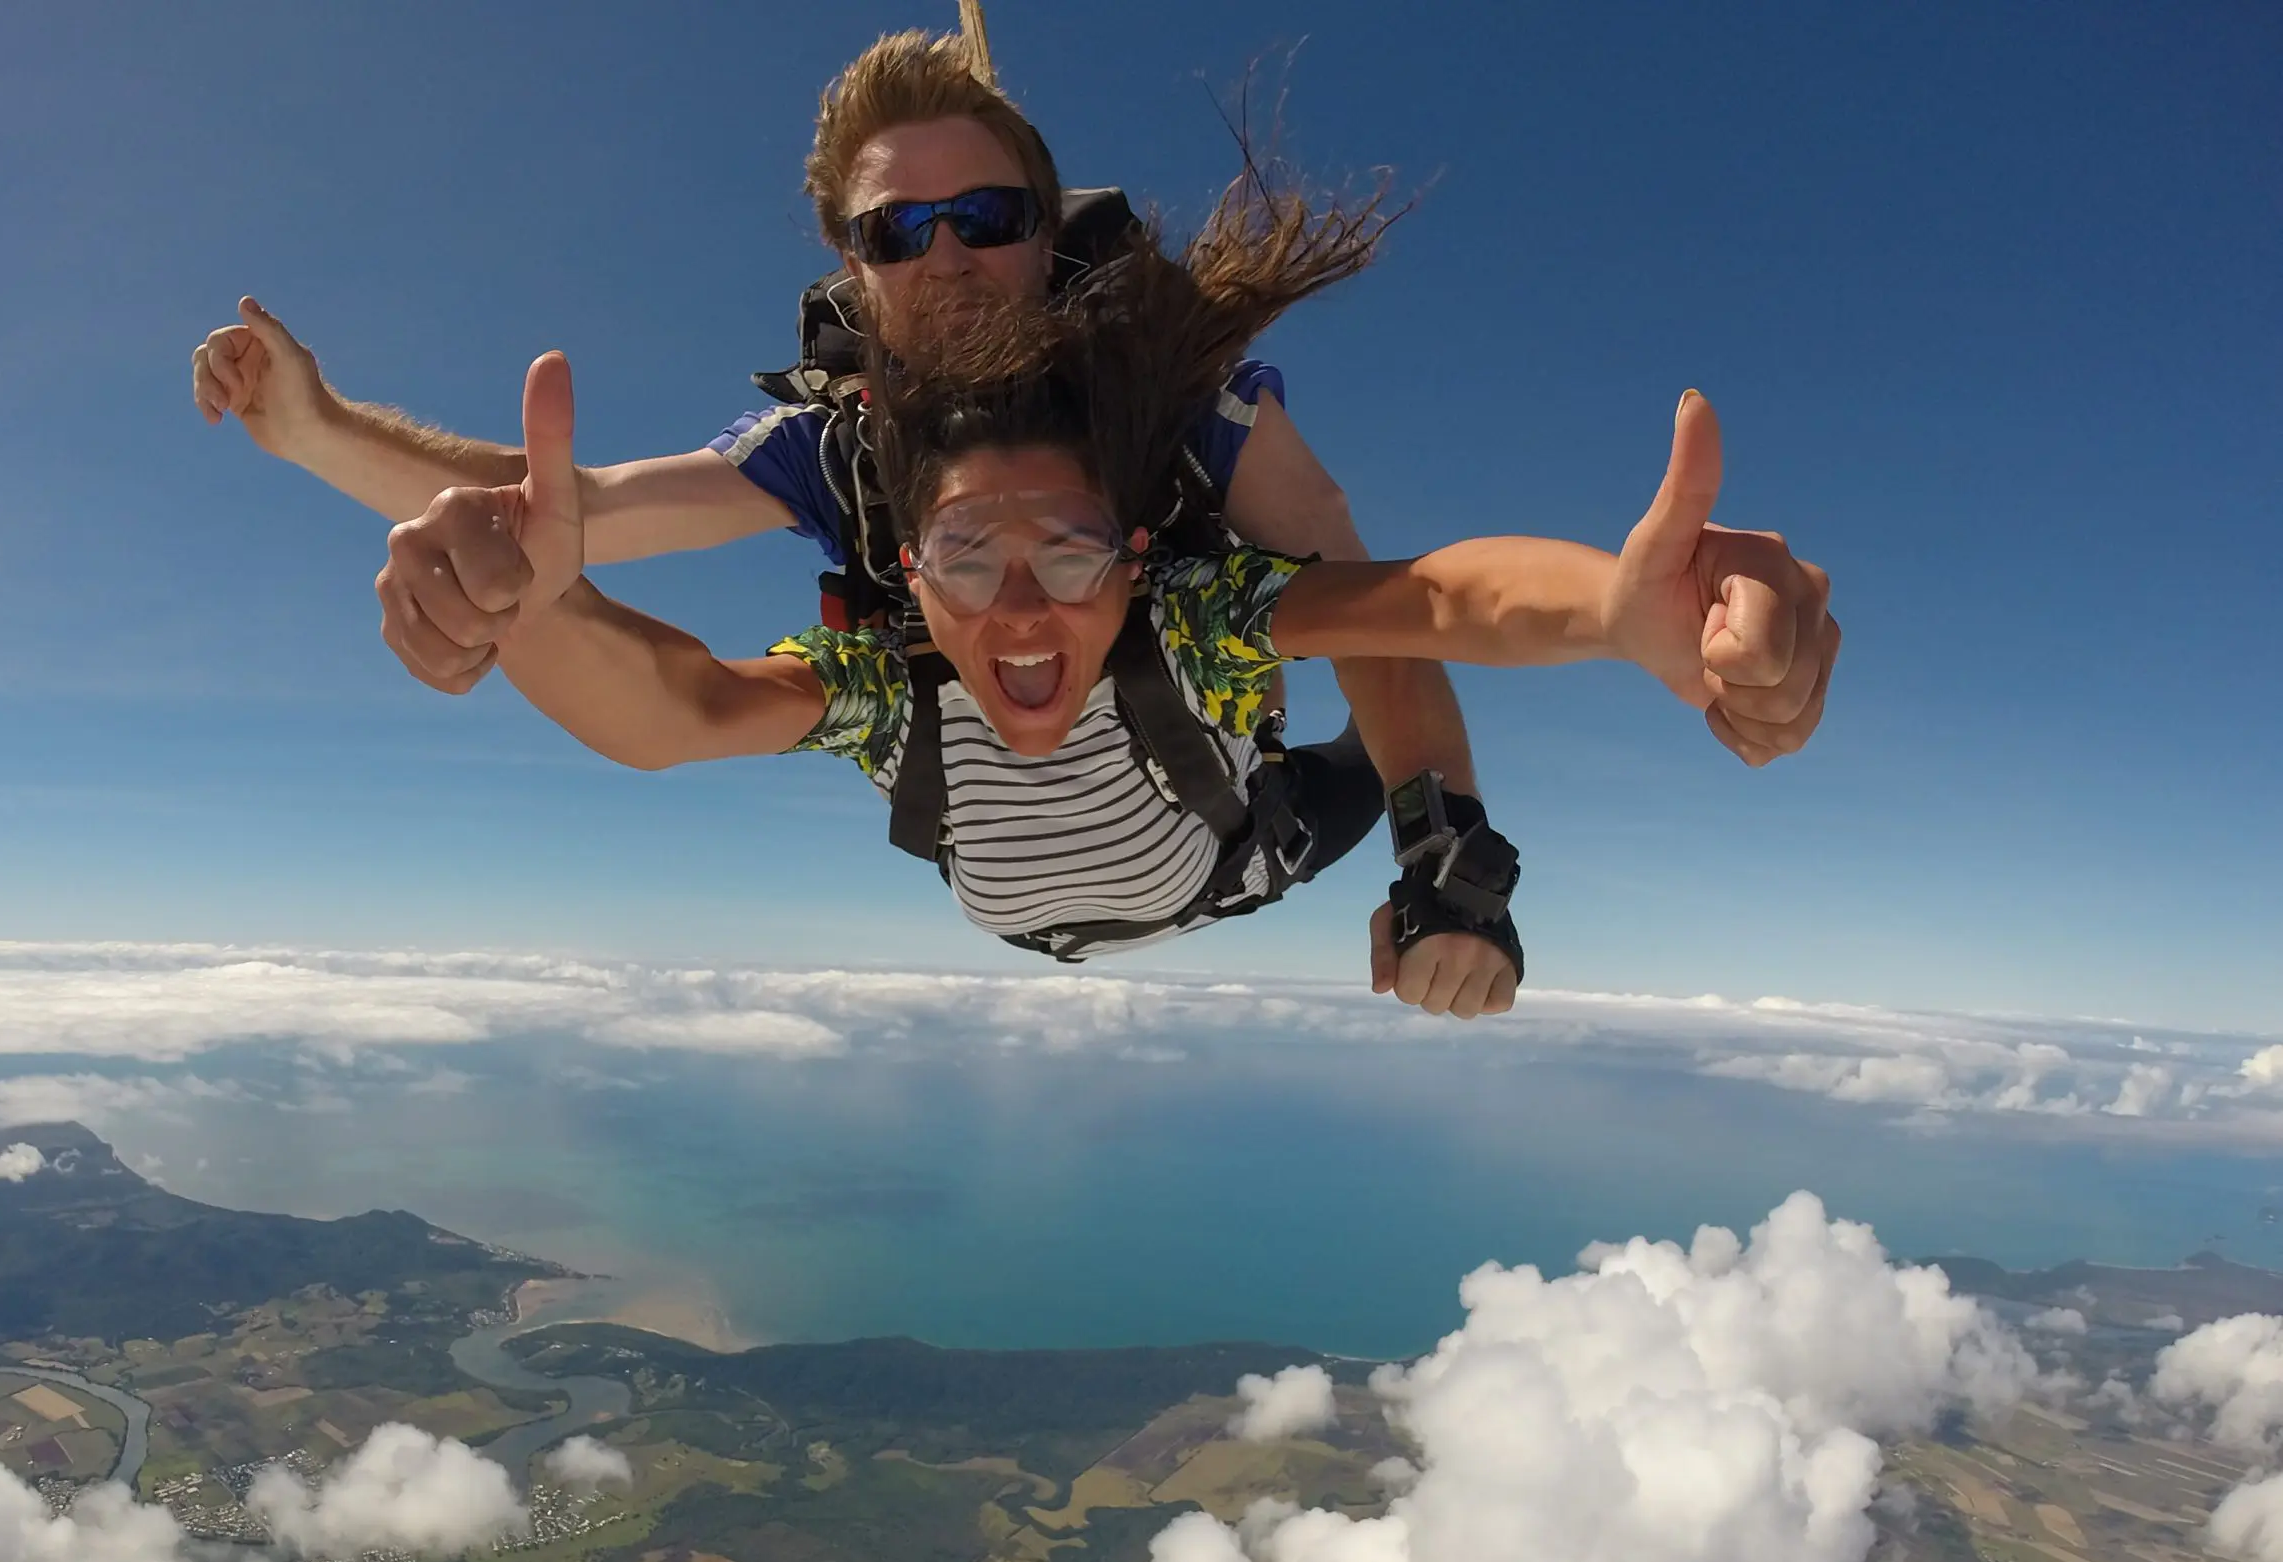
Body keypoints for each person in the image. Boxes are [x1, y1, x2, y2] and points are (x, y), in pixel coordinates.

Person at [191, 25, 1582, 1016]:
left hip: (1227, 832)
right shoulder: (839, 452)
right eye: (895, 231)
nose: (951, 256)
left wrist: (1443, 859)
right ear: (847, 270)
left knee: (1305, 693)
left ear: (1051, 229)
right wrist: (328, 441)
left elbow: (1380, 605)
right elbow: (569, 518)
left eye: (985, 214)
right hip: (1009, 838)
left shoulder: (1194, 411)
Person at [423, 173, 1831, 987]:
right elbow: (677, 705)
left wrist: (1606, 611)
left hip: (1242, 853)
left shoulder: (1193, 626)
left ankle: (1437, 840)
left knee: (1366, 748)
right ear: (910, 568)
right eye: (971, 558)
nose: (1025, 606)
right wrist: (538, 604)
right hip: (1179, 865)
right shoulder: (891, 674)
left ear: (1139, 557)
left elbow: (1427, 601)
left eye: (1074, 549)